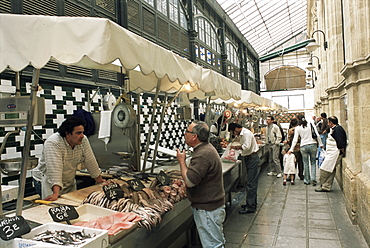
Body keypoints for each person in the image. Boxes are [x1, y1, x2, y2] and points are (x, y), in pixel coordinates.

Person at [176, 120, 226, 248]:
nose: (184, 133)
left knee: (212, 245)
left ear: (194, 136)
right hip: (211, 208)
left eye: (187, 131)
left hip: (208, 210)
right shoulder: (205, 149)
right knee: (216, 242)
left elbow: (190, 182)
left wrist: (182, 162)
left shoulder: (203, 154)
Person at [32, 116, 105, 201]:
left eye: (82, 132)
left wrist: (100, 181)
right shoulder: (53, 143)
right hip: (48, 181)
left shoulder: (83, 140)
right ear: (68, 134)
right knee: (54, 206)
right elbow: (55, 169)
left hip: (68, 180)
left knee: (71, 203)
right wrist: (55, 193)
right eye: (78, 133)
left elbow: (90, 160)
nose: (82, 136)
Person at [228, 123, 261, 214]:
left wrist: (236, 147)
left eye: (234, 132)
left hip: (252, 159)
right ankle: (251, 203)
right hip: (249, 158)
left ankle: (250, 207)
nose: (235, 134)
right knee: (250, 182)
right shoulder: (243, 134)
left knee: (251, 183)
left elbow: (246, 147)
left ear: (237, 128)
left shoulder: (246, 133)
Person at [288, 114, 323, 186]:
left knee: (305, 163)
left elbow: (295, 139)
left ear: (298, 120)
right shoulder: (310, 124)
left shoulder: (297, 128)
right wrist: (321, 144)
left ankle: (307, 179)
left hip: (303, 146)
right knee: (313, 162)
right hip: (313, 144)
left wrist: (291, 149)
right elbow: (317, 134)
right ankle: (313, 179)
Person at [315, 116, 347, 192]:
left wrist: (342, 152)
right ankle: (326, 186)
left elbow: (340, 143)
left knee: (325, 168)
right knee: (330, 169)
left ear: (331, 123)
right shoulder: (334, 129)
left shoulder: (338, 130)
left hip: (335, 153)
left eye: (328, 122)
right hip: (331, 153)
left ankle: (324, 184)